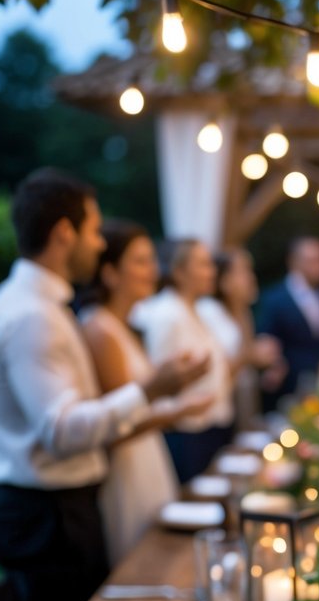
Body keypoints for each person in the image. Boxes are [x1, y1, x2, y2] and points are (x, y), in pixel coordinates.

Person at [0, 169, 207, 601]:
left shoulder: (37, 308)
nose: (99, 246)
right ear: (63, 234)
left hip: (45, 506)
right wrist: (148, 391)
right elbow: (61, 431)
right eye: (94, 231)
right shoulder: (31, 315)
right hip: (43, 511)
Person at [80, 221, 213, 565]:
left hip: (147, 459)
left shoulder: (119, 327)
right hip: (128, 471)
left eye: (152, 260)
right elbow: (116, 428)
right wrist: (177, 409)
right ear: (110, 273)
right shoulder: (100, 330)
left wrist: (171, 382)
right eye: (140, 261)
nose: (153, 270)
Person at [132, 238, 234, 483]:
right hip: (183, 433)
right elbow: (158, 380)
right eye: (203, 265)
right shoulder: (167, 315)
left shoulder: (197, 309)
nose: (212, 272)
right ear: (179, 272)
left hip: (206, 426)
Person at [196, 247, 283, 428]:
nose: (252, 277)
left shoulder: (242, 311)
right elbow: (215, 370)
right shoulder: (209, 313)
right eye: (244, 271)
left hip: (240, 404)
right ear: (224, 280)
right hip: (214, 414)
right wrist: (251, 356)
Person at [256, 236, 319, 405]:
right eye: (313, 261)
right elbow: (266, 339)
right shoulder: (274, 298)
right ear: (294, 262)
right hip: (285, 390)